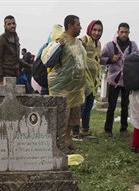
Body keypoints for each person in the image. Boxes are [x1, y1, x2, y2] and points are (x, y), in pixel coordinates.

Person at [42, 15, 87, 151]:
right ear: (69, 26)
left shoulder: (77, 42)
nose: (80, 27)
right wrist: (58, 46)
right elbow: (47, 61)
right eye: (78, 24)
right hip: (61, 90)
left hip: (75, 90)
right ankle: (58, 145)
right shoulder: (60, 41)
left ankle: (67, 142)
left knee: (71, 121)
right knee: (61, 119)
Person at [101, 22, 139, 136]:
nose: (124, 34)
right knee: (111, 105)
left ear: (129, 33)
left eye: (126, 32)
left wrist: (132, 60)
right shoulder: (110, 45)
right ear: (118, 32)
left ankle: (123, 128)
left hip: (127, 80)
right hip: (114, 80)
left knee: (125, 105)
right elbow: (101, 58)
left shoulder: (133, 46)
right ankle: (108, 129)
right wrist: (110, 59)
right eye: (122, 32)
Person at [75, 20, 103, 139]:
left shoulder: (99, 44)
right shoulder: (84, 40)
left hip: (93, 81)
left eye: (99, 30)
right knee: (80, 105)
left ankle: (85, 130)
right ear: (90, 30)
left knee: (88, 105)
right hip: (83, 79)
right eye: (94, 30)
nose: (97, 33)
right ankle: (75, 131)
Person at [0, 16, 30, 82]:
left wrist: (29, 66)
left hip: (16, 73)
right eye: (9, 24)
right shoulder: (1, 39)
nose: (12, 26)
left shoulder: (16, 38)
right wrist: (1, 78)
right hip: (6, 74)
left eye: (13, 23)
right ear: (4, 26)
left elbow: (16, 58)